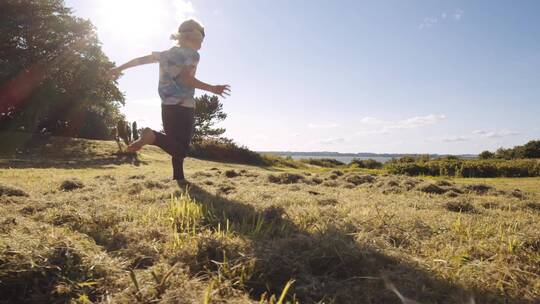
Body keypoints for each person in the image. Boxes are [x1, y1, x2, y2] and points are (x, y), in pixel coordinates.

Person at [111, 19, 230, 182]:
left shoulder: (165, 54)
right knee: (181, 150)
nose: (201, 46)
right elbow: (187, 79)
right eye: (200, 41)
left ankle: (178, 179)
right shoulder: (192, 54)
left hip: (167, 106)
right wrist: (212, 88)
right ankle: (152, 136)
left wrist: (118, 69)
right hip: (184, 106)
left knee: (174, 144)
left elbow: (140, 60)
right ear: (192, 37)